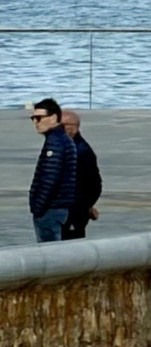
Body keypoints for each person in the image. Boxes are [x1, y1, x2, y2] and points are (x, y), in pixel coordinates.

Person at [25, 99, 75, 242]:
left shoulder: (55, 142)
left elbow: (49, 179)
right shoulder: (62, 139)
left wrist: (38, 206)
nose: (36, 122)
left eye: (39, 118)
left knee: (50, 249)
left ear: (53, 117)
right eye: (33, 119)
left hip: (51, 209)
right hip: (58, 207)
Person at [59, 109, 100, 239]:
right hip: (62, 209)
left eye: (61, 125)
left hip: (71, 212)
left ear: (74, 128)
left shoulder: (81, 151)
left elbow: (94, 184)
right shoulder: (64, 146)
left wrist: (83, 207)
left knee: (69, 242)